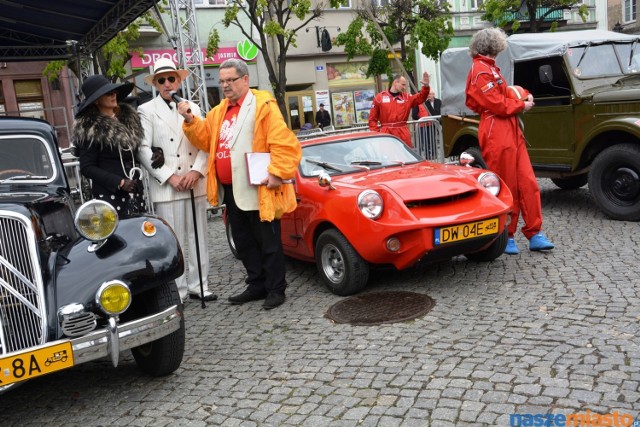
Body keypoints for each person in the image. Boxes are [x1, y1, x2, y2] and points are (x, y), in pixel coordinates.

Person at [178, 58, 301, 310]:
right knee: (244, 242)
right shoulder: (219, 111)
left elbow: (284, 142)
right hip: (231, 189)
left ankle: (276, 288)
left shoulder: (262, 105)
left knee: (268, 241)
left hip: (260, 187)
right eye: (221, 81)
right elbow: (206, 140)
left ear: (245, 80)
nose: (225, 85)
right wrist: (191, 121)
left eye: (230, 80)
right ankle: (257, 284)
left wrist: (277, 172)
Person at [465, 27, 554, 254]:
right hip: (497, 128)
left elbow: (504, 94)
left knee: (528, 183)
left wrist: (522, 94)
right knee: (507, 184)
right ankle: (508, 234)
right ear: (493, 46)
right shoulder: (480, 70)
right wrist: (521, 104)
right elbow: (496, 102)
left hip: (508, 127)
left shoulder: (489, 68)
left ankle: (535, 232)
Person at [137, 58, 218, 303]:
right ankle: (177, 289)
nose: (167, 84)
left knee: (198, 235)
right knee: (172, 239)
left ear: (179, 80)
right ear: (155, 84)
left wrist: (197, 172)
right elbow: (143, 148)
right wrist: (169, 176)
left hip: (194, 182)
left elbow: (206, 142)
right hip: (167, 185)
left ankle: (200, 284)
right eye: (161, 80)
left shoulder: (193, 107)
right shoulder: (147, 110)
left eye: (171, 78)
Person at [72, 75, 147, 218]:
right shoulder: (90, 127)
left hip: (135, 192)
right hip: (109, 196)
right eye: (108, 93)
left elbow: (137, 151)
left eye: (115, 92)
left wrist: (156, 151)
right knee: (116, 238)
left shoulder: (129, 120)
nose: (114, 95)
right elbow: (87, 167)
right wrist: (119, 182)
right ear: (96, 100)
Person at [368, 72, 430, 147]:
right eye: (403, 85)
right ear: (395, 82)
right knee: (388, 157)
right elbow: (372, 120)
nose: (404, 87)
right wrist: (378, 133)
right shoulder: (379, 98)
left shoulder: (407, 98)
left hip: (403, 133)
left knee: (406, 156)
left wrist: (426, 87)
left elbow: (421, 97)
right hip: (386, 134)